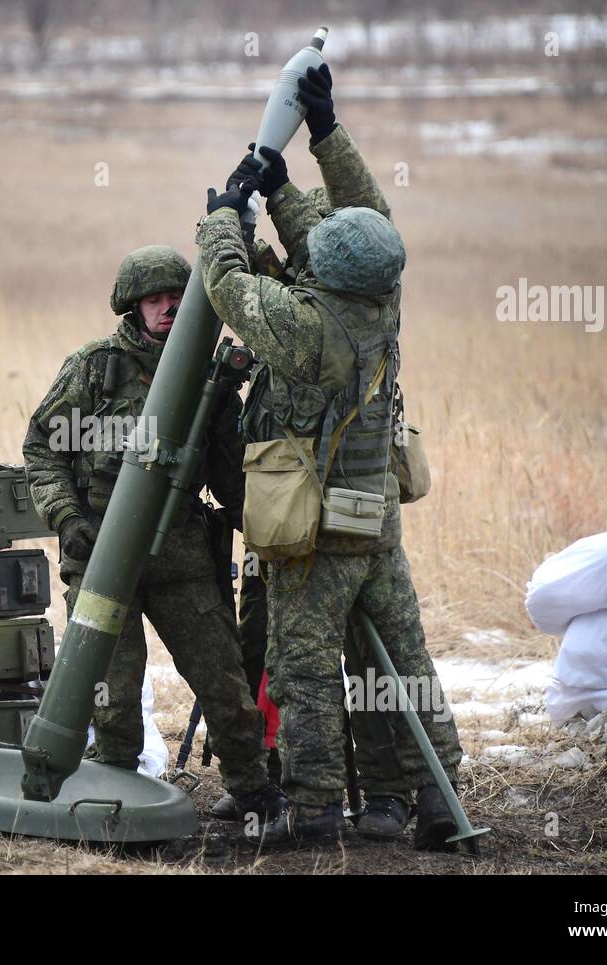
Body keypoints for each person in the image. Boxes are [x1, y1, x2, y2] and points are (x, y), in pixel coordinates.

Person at [194, 63, 464, 848]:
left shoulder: (312, 331)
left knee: (305, 667)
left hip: (316, 530)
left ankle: (313, 808)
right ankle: (432, 794)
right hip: (375, 517)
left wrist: (224, 218)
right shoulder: (383, 295)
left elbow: (231, 287)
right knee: (403, 660)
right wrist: (318, 141)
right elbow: (361, 217)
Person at [23, 245, 283, 824]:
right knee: (111, 695)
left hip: (180, 552)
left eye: (176, 298)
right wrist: (69, 521)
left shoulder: (204, 375)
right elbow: (42, 448)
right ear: (133, 306)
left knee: (224, 681)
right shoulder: (96, 368)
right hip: (102, 551)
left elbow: (225, 469)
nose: (167, 308)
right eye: (155, 299)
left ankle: (254, 793)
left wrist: (266, 530)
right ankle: (113, 801)